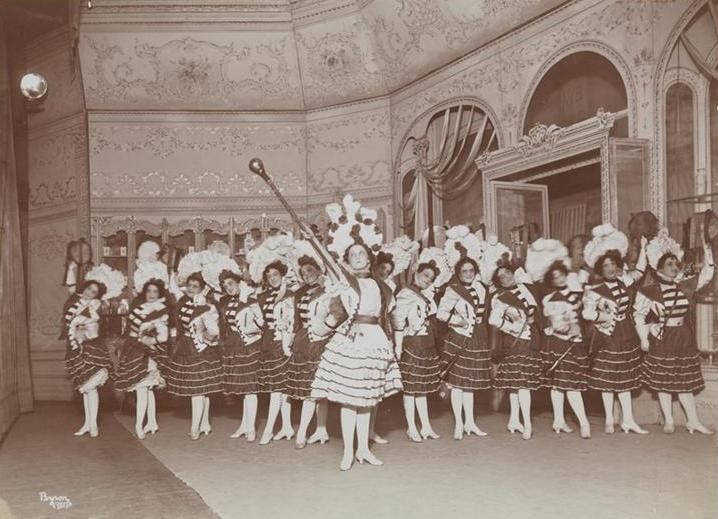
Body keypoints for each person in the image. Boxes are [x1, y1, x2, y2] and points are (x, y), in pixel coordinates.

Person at [311, 242, 403, 471]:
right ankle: (348, 452)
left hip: (374, 339)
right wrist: (312, 238)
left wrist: (394, 343)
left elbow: (389, 317)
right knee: (350, 400)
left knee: (367, 400)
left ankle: (363, 449)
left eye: (362, 253)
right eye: (353, 254)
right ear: (348, 261)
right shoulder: (344, 283)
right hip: (352, 340)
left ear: (370, 259)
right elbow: (327, 259)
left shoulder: (383, 286)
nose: (358, 256)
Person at [634, 236, 715, 434]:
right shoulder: (649, 291)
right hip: (664, 337)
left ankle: (693, 421)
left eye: (675, 263)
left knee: (684, 381)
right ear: (659, 268)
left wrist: (709, 253)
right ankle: (669, 420)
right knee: (664, 381)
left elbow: (707, 274)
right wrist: (644, 337)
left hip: (683, 337)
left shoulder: (684, 287)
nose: (674, 266)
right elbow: (638, 315)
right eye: (669, 264)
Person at [582, 226, 648, 434]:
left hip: (626, 333)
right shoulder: (593, 290)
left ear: (618, 266)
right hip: (607, 335)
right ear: (600, 269)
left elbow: (639, 270)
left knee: (626, 378)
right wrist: (606, 316)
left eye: (613, 264)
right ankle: (610, 419)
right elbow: (587, 314)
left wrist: (643, 247)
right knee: (608, 379)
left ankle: (627, 420)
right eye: (606, 265)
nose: (610, 268)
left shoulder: (624, 282)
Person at [436, 257, 492, 440]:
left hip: (478, 339)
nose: (468, 274)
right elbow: (441, 314)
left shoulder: (482, 288)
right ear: (458, 274)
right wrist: (457, 321)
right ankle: (459, 423)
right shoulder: (453, 290)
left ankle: (470, 423)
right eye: (464, 271)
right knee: (458, 384)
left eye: (471, 270)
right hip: (460, 338)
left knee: (470, 385)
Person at [165, 272, 224, 440]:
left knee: (198, 390)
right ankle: (205, 423)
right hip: (185, 347)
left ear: (202, 289)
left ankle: (195, 427)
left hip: (200, 350)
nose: (190, 289)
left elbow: (214, 331)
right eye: (189, 285)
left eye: (195, 287)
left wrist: (203, 340)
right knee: (201, 390)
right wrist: (173, 273)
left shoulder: (207, 307)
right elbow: (174, 288)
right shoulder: (183, 301)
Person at [488, 259, 543, 440]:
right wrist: (513, 326)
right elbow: (493, 320)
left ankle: (513, 420)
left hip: (530, 340)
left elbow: (535, 311)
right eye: (501, 277)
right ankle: (527, 424)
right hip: (515, 342)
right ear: (499, 282)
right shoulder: (500, 297)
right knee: (522, 384)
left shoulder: (527, 289)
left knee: (515, 384)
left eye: (508, 273)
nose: (506, 278)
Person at [283, 256, 333, 449]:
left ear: (319, 271)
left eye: (310, 271)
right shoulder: (300, 293)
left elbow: (336, 316)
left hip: (321, 342)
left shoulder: (328, 292)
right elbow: (296, 321)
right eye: (303, 273)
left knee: (316, 390)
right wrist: (289, 341)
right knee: (310, 389)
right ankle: (319, 430)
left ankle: (307, 431)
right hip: (303, 342)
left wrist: (324, 331)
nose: (307, 275)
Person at [392, 261, 442, 442]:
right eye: (426, 275)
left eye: (431, 278)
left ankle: (426, 426)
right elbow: (398, 321)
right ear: (417, 273)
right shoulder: (406, 293)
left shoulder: (422, 295)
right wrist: (398, 347)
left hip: (424, 344)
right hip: (411, 344)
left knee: (421, 387)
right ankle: (411, 427)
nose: (428, 280)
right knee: (411, 388)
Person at [541, 261, 591, 439]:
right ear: (551, 281)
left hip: (576, 343)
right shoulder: (549, 300)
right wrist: (569, 327)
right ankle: (583, 423)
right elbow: (556, 324)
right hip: (559, 343)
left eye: (561, 274)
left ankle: (559, 421)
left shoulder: (576, 294)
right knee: (566, 384)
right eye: (555, 277)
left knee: (561, 384)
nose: (559, 278)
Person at [114, 279, 170, 439]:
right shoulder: (139, 308)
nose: (151, 294)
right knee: (147, 389)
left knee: (142, 389)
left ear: (159, 294)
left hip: (148, 354)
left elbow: (164, 337)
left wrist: (150, 342)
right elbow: (131, 331)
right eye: (149, 291)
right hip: (134, 350)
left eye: (155, 292)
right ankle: (152, 422)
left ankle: (139, 425)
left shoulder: (160, 310)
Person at [62, 280, 112, 437]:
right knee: (85, 388)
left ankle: (94, 425)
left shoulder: (94, 306)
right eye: (89, 289)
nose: (90, 292)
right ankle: (87, 424)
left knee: (91, 387)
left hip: (91, 349)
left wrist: (83, 330)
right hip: (76, 348)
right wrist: (75, 334)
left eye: (94, 292)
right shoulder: (73, 302)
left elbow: (94, 330)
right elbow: (68, 325)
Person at [217, 269, 262, 441]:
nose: (228, 288)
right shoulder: (226, 302)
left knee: (250, 389)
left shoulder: (250, 299)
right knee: (244, 390)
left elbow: (261, 323)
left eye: (230, 283)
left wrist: (246, 330)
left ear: (238, 282)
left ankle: (251, 429)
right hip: (234, 347)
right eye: (225, 285)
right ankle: (244, 425)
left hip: (249, 347)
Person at [256, 261, 294, 445]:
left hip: (282, 342)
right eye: (269, 276)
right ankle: (287, 426)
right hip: (269, 343)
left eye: (275, 275)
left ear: (283, 275)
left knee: (276, 388)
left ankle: (269, 429)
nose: (272, 279)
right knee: (279, 386)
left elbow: (290, 322)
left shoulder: (289, 294)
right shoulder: (264, 296)